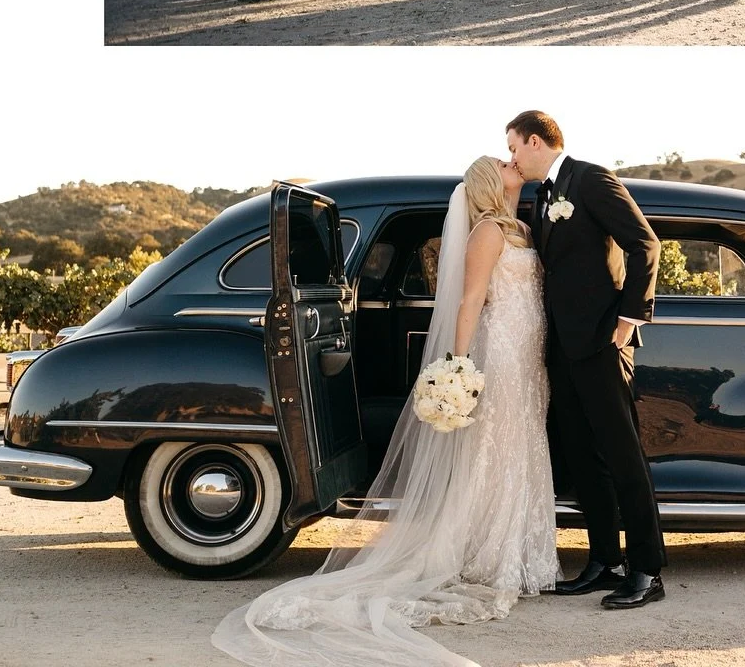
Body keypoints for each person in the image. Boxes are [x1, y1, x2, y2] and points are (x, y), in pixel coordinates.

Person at [213, 156, 558, 667]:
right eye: (504, 162)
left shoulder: (520, 228)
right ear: (490, 183)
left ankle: (518, 551)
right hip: (502, 350)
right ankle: (490, 555)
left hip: (528, 349)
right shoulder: (487, 232)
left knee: (522, 442)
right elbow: (470, 302)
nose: (514, 163)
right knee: (497, 446)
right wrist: (460, 364)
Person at [507, 110, 665, 609]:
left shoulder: (591, 178)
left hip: (602, 342)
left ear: (535, 141)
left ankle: (645, 569)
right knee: (582, 456)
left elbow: (645, 244)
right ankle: (604, 561)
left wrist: (628, 320)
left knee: (623, 457)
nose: (511, 156)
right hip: (563, 347)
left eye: (514, 147)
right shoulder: (542, 195)